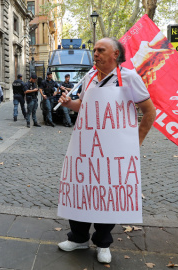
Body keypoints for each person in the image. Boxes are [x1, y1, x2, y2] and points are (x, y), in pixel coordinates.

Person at [57, 37, 156, 263]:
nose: (96, 53)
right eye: (94, 50)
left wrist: (135, 143)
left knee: (107, 193)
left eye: (101, 50)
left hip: (114, 152)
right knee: (81, 191)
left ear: (115, 55)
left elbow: (150, 112)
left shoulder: (129, 78)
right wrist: (68, 104)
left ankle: (103, 243)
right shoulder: (89, 77)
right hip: (85, 148)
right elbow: (82, 105)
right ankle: (78, 238)